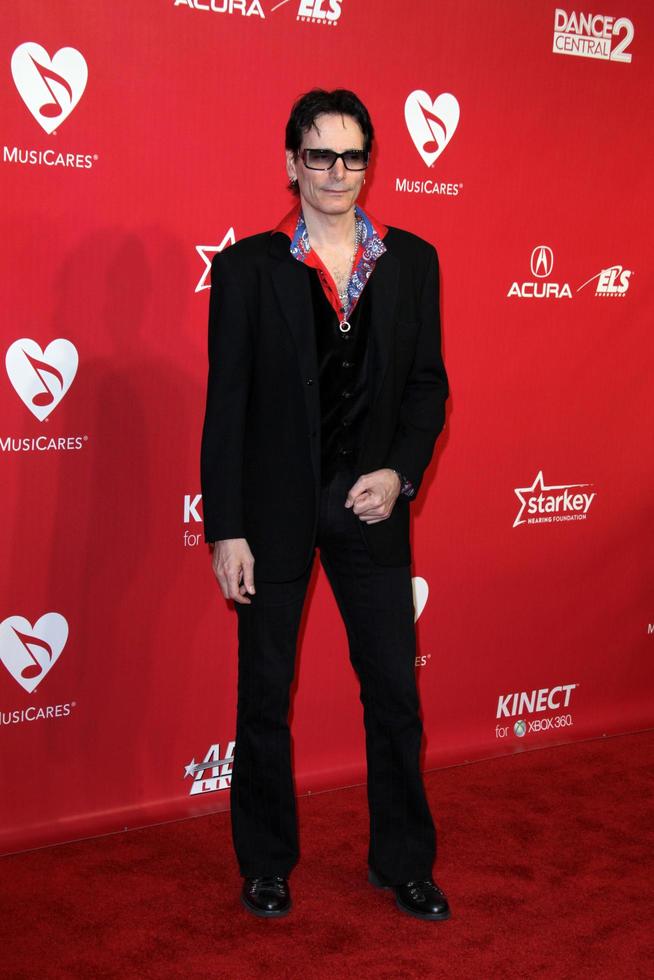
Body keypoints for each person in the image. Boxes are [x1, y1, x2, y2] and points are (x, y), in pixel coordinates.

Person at [201, 88, 450, 921]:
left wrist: (400, 474)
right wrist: (225, 527)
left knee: (393, 692)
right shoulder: (245, 271)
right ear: (291, 165)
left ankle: (403, 861)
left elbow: (427, 389)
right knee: (263, 693)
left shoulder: (413, 262)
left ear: (368, 165)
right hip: (272, 515)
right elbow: (225, 407)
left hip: (370, 508)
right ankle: (267, 862)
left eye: (350, 156)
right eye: (319, 154)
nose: (335, 171)